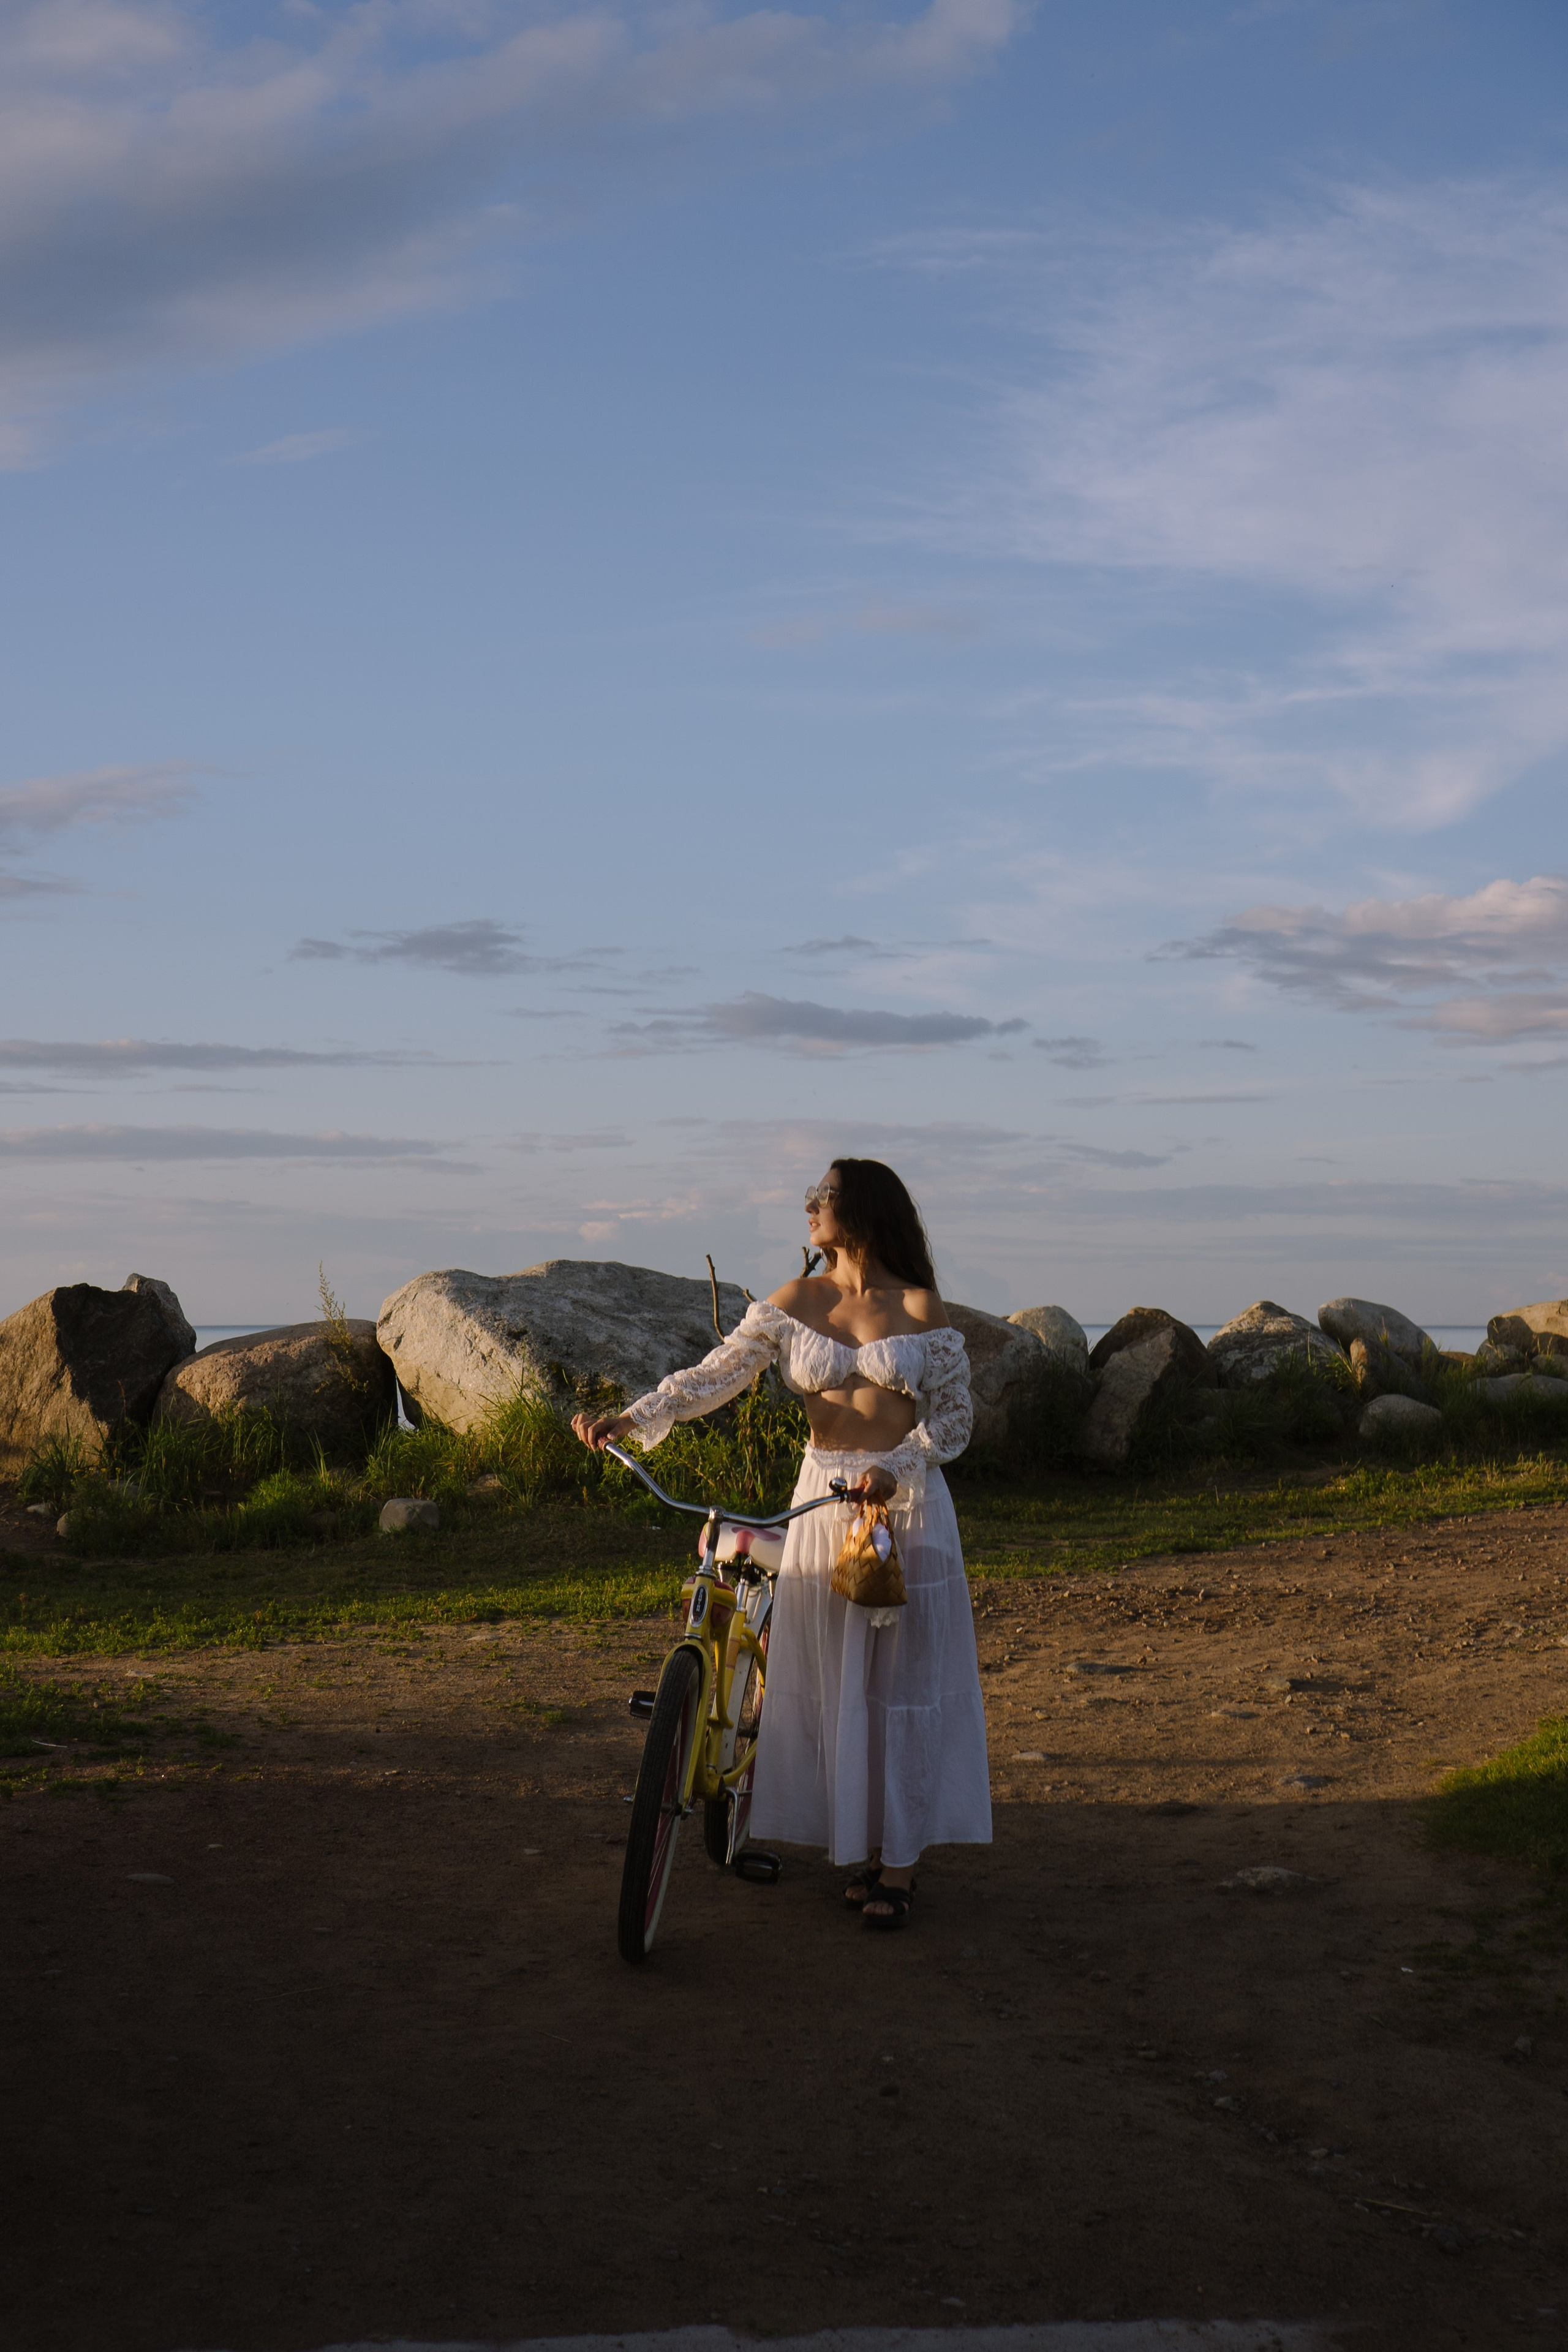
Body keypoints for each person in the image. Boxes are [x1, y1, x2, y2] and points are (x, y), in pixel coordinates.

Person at [572, 1157, 992, 1928]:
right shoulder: (795, 1300)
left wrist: (896, 1474)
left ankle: (896, 1865)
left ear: (861, 1208)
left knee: (901, 1691)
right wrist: (630, 1419)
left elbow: (956, 1421)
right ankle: (863, 1843)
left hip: (906, 1508)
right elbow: (714, 1375)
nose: (808, 1207)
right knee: (838, 1687)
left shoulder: (920, 1305)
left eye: (822, 1196)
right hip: (822, 1504)